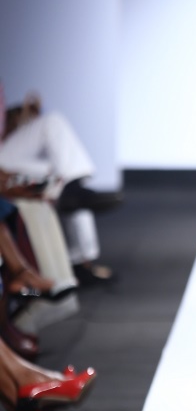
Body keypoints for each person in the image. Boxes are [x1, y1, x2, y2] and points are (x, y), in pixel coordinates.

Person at [0, 91, 121, 284]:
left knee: (63, 172)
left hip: (6, 150)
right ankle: (80, 261)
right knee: (66, 181)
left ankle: (80, 260)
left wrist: (19, 116)